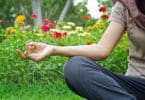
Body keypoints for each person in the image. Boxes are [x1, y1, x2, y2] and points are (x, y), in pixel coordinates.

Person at [17, 0, 145, 99]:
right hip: (135, 85)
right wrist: (53, 49)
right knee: (75, 66)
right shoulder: (126, 6)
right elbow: (102, 49)